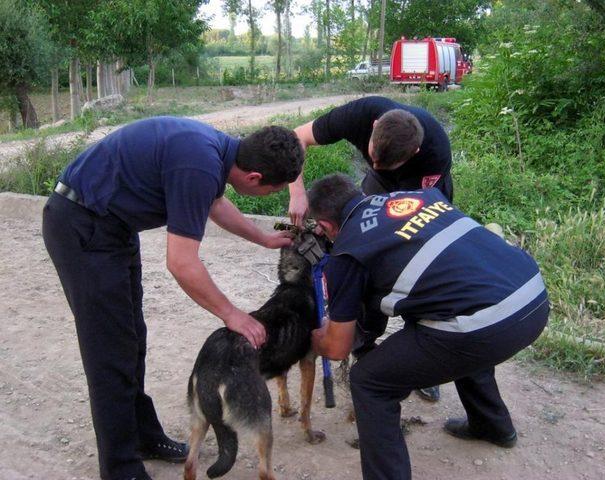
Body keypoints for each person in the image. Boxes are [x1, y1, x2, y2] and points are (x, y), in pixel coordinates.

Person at [42, 117, 304, 480]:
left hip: (112, 226)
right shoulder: (199, 163)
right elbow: (181, 263)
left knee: (132, 340)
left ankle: (143, 436)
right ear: (254, 178)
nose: (267, 195)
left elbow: (213, 204)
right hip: (82, 227)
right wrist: (233, 314)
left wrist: (264, 238)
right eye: (270, 191)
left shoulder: (218, 152)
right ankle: (121, 469)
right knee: (110, 353)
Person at [308, 174, 549, 480]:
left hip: (490, 325)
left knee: (369, 381)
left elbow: (337, 348)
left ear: (327, 227)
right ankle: (492, 424)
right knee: (446, 309)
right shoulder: (418, 197)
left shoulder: (345, 253)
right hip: (533, 296)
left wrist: (317, 337)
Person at [290, 96, 452, 401]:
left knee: (415, 268)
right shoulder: (360, 114)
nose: (373, 162)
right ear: (374, 127)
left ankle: (424, 364)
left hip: (420, 194)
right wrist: (297, 191)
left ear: (413, 152)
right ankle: (363, 342)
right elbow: (297, 137)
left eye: (382, 160)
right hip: (380, 183)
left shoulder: (433, 152)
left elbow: (416, 218)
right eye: (372, 154)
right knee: (357, 253)